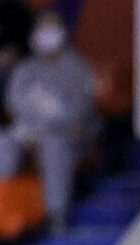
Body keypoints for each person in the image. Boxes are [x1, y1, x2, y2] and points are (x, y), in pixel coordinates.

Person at [0, 12, 95, 232]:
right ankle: (5, 202)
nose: (47, 34)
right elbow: (14, 103)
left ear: (62, 32)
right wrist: (32, 130)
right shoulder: (25, 68)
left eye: (52, 28)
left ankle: (56, 217)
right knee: (3, 141)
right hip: (28, 131)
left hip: (64, 133)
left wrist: (46, 128)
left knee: (54, 147)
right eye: (43, 29)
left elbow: (79, 111)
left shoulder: (76, 67)